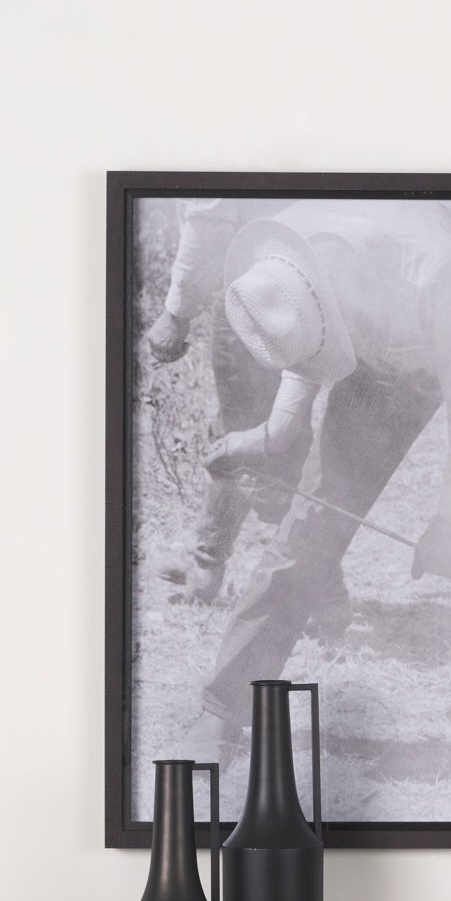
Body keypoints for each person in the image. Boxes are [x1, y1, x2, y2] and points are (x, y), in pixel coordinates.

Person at [186, 199, 451, 754]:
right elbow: (307, 351)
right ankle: (223, 706)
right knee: (312, 524)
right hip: (388, 354)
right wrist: (267, 439)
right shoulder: (289, 257)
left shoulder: (429, 270)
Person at [143, 199, 286, 602]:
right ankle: (315, 582)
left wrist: (177, 314)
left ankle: (208, 570)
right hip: (310, 278)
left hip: (260, 285)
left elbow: (211, 219)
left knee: (240, 433)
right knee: (265, 431)